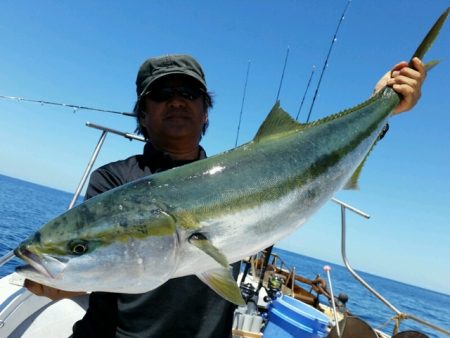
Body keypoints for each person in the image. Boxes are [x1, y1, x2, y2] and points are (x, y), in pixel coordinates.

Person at [24, 54, 426, 337]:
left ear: (205, 111)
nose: (177, 100)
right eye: (162, 94)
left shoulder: (249, 172)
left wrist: (384, 106)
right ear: (142, 113)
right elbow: (111, 267)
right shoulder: (115, 182)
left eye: (189, 92)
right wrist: (60, 280)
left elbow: (320, 163)